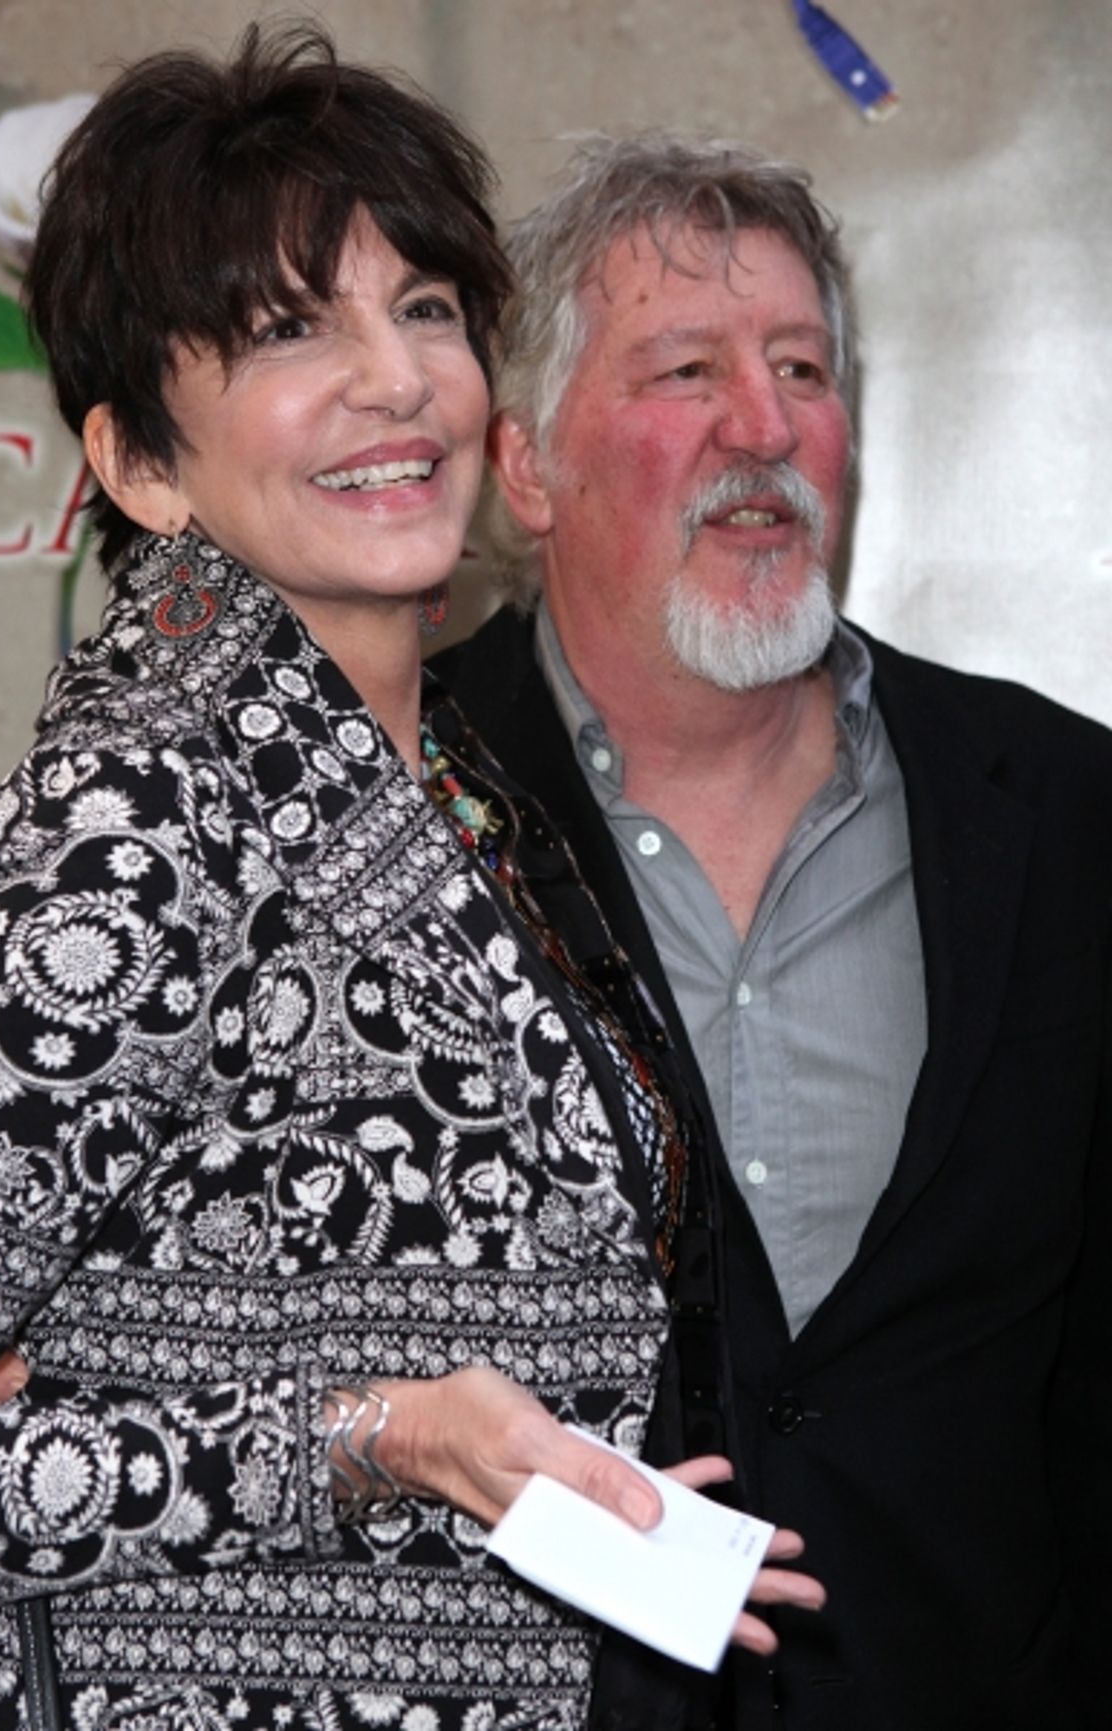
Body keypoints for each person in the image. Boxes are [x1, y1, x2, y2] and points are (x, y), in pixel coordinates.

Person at [0, 50, 823, 1731]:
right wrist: (361, 1443)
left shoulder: (446, 783)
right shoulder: (142, 824)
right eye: (286, 333)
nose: (393, 381)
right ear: (137, 465)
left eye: (422, 307)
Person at [436, 133, 1112, 1731]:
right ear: (528, 466)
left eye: (800, 367)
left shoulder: (1067, 812)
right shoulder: (388, 802)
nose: (767, 428)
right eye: (686, 371)